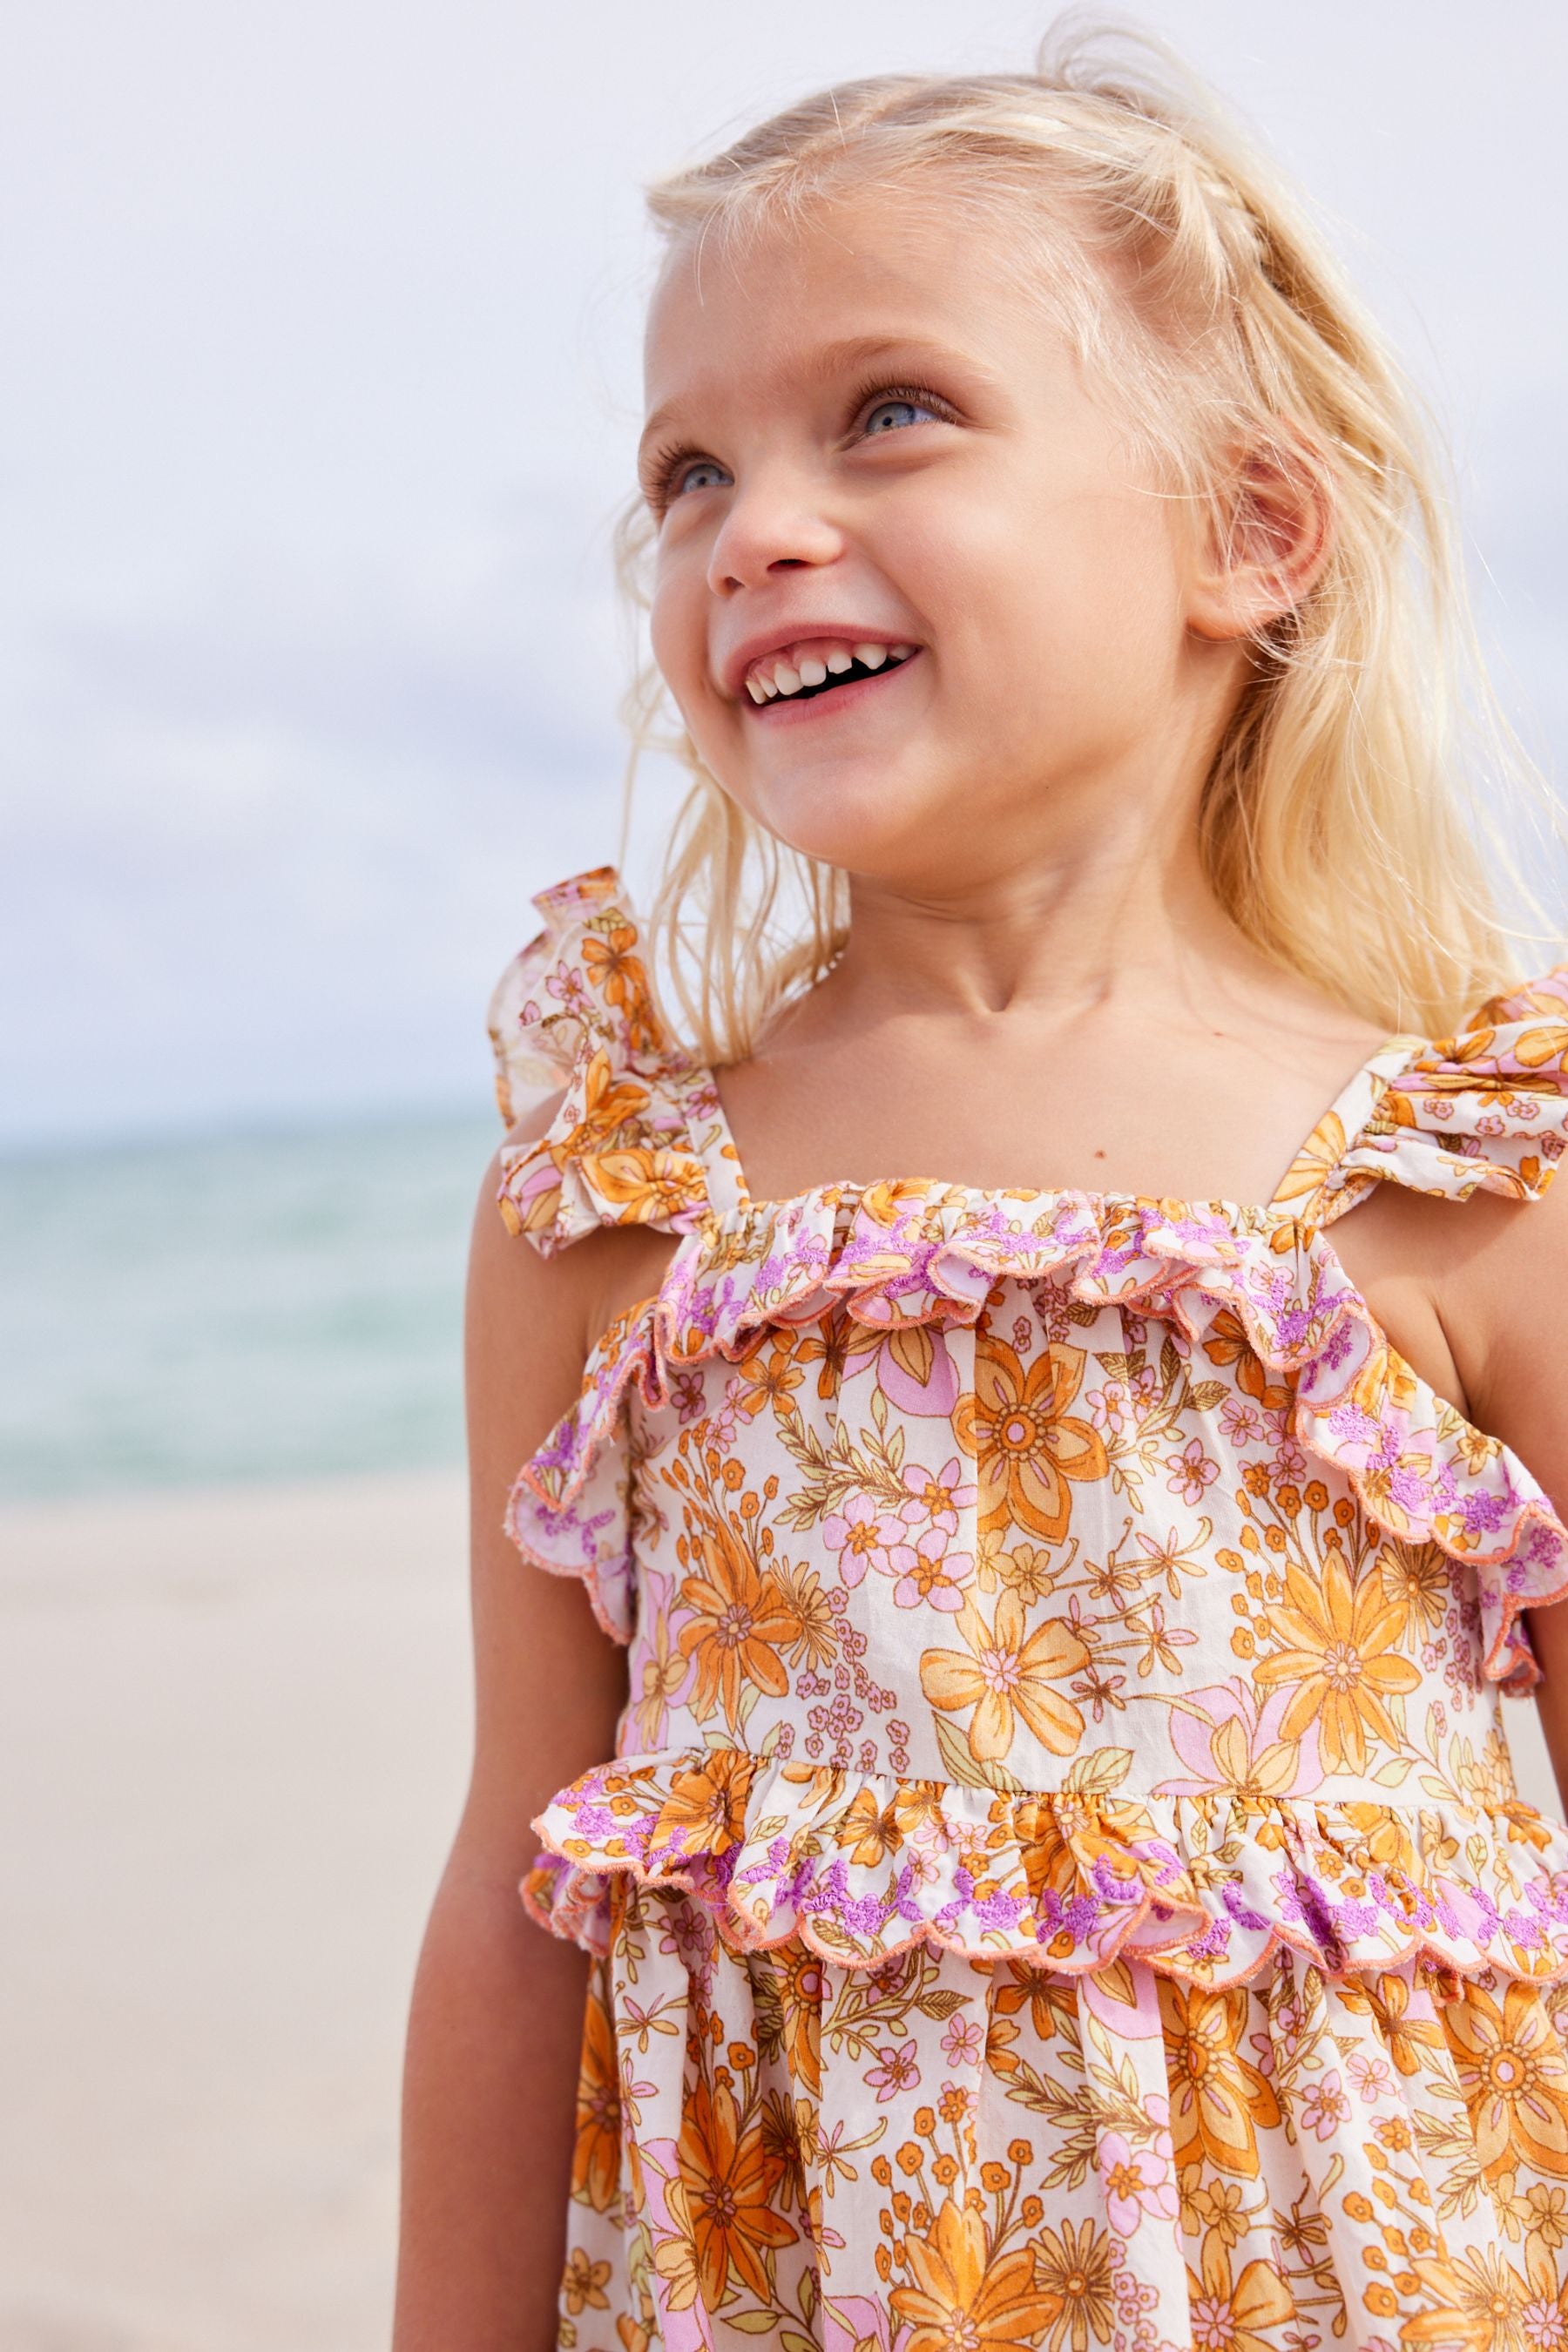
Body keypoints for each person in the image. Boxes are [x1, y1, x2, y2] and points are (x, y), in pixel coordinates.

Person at [394, 26, 1568, 2351]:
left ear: (1249, 529)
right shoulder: (622, 1198)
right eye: (689, 469)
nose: (760, 527)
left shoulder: (1459, 1174)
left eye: (891, 414)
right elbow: (517, 1861)